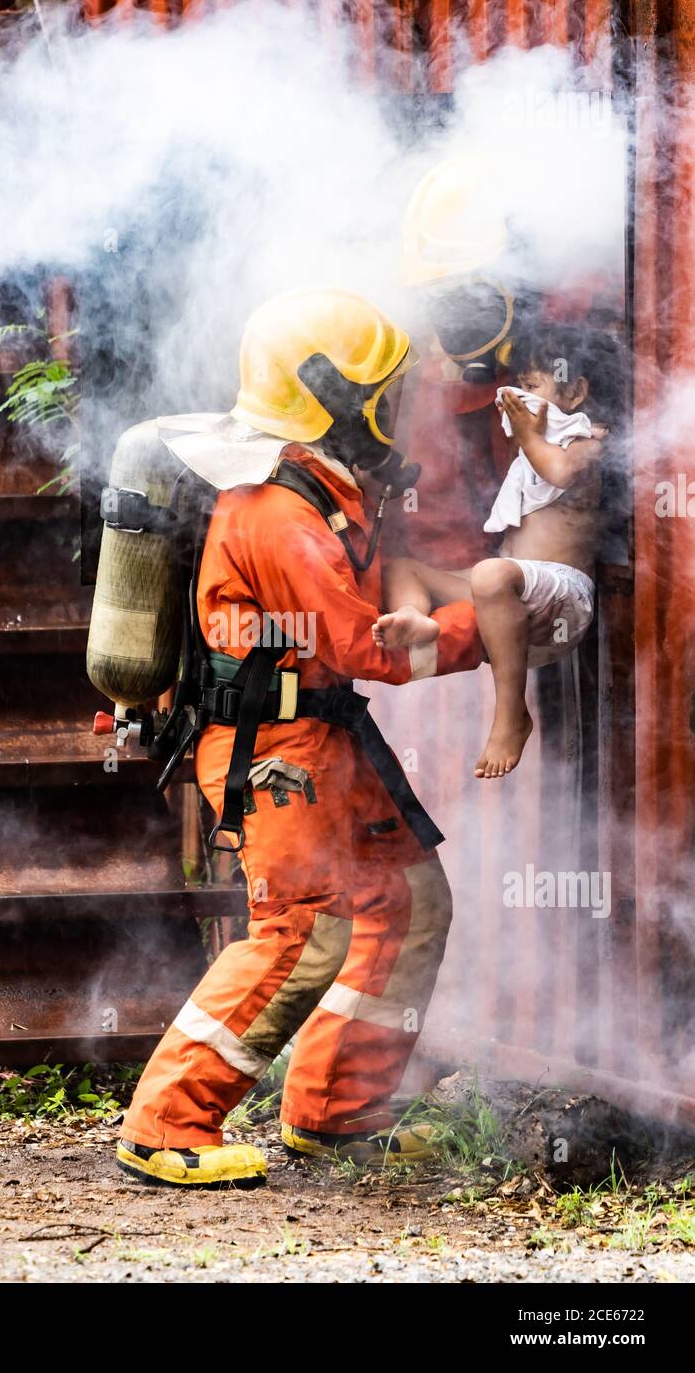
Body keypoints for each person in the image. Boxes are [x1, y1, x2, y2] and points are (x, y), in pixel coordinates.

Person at [114, 288, 485, 1188]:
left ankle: (337, 1111)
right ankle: (165, 1125)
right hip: (273, 752)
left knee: (408, 899)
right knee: (301, 929)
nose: (398, 408)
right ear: (333, 398)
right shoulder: (277, 513)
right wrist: (500, 629)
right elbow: (364, 645)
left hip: (322, 735)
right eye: (384, 392)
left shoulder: (318, 488)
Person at [372, 324, 620, 778]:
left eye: (530, 388)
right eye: (517, 387)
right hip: (511, 597)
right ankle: (415, 614)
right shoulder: (529, 448)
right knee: (403, 567)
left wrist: (527, 436)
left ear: (576, 392)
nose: (517, 399)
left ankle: (511, 716)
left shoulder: (588, 444)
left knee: (490, 572)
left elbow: (559, 472)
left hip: (562, 595)